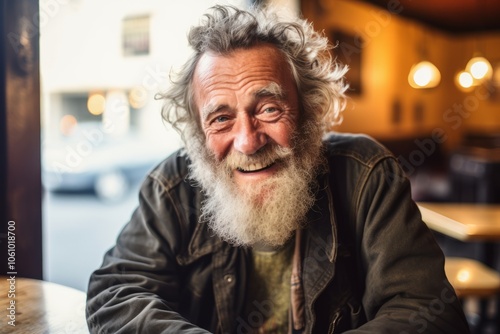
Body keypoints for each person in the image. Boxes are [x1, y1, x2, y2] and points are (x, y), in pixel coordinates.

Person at [86, 4, 470, 333]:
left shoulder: (367, 175)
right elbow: (116, 293)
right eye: (221, 118)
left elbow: (428, 312)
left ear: (309, 110)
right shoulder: (171, 186)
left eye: (269, 109)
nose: (249, 141)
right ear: (199, 134)